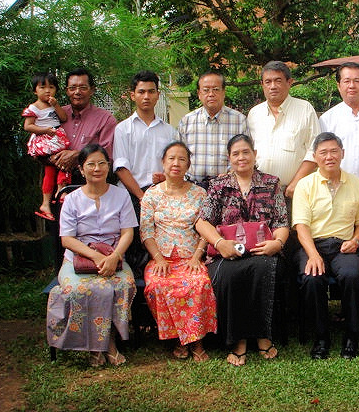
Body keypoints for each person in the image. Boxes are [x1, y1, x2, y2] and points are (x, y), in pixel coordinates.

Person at [196, 134, 289, 366]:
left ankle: (263, 335)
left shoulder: (271, 183)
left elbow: (281, 222)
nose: (241, 157)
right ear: (229, 158)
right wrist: (220, 243)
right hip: (227, 252)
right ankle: (238, 340)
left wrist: (277, 243)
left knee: (262, 269)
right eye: (235, 154)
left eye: (246, 152)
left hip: (263, 249)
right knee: (230, 275)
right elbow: (202, 222)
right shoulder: (218, 186)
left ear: (254, 154)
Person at [46, 144, 137, 367]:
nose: (97, 168)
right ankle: (96, 347)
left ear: (108, 166)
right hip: (77, 260)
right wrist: (96, 258)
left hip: (114, 258)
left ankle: (108, 342)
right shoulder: (72, 199)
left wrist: (114, 257)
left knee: (123, 285)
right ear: (81, 169)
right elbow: (67, 240)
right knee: (83, 289)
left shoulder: (121, 196)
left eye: (102, 163)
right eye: (91, 164)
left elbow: (128, 232)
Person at [292, 132, 359, 360]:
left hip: (344, 245)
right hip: (313, 245)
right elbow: (301, 226)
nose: (329, 157)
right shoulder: (305, 185)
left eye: (334, 151)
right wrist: (313, 254)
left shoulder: (355, 182)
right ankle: (321, 337)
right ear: (315, 157)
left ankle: (352, 336)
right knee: (312, 278)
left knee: (352, 275)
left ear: (342, 153)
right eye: (323, 152)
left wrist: (355, 241)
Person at [141, 141, 218, 362]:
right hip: (161, 259)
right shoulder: (151, 195)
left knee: (199, 284)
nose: (176, 163)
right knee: (157, 286)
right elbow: (146, 232)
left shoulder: (200, 194)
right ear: (163, 163)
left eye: (182, 159)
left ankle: (197, 341)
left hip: (191, 258)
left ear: (188, 165)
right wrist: (158, 259)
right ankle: (179, 339)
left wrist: (196, 257)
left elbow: (206, 228)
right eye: (171, 158)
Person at [113, 70, 175, 277]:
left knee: (160, 241)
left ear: (158, 95)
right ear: (133, 95)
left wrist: (165, 178)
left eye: (151, 91)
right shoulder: (123, 129)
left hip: (162, 196)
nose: (146, 96)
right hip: (132, 195)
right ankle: (135, 284)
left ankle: (159, 280)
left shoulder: (169, 131)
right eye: (141, 92)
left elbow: (175, 165)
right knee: (134, 245)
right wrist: (141, 196)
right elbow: (121, 167)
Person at [247, 61, 321, 198]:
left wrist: (296, 183)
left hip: (293, 191)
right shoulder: (254, 114)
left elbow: (315, 150)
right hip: (259, 193)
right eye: (268, 82)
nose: (273, 86)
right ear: (262, 84)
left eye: (278, 81)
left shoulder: (304, 109)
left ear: (289, 82)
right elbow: (249, 152)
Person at [177, 71, 248, 190]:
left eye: (216, 89)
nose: (211, 94)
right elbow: (178, 156)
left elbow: (246, 156)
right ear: (199, 94)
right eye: (206, 90)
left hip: (228, 188)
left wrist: (232, 174)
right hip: (193, 188)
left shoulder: (239, 121)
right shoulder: (187, 122)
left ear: (223, 92)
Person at [51, 68, 117, 184]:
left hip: (91, 183)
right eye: (72, 88)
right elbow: (40, 143)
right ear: (67, 91)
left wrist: (79, 155)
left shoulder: (105, 119)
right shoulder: (55, 115)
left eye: (83, 88)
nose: (77, 92)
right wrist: (54, 158)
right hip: (56, 180)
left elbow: (108, 157)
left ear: (92, 90)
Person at [22, 72, 70, 221]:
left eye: (51, 87)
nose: (47, 91)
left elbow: (63, 118)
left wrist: (56, 105)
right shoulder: (34, 107)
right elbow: (28, 126)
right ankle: (61, 191)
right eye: (42, 87)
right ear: (35, 91)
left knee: (50, 171)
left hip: (56, 138)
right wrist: (45, 130)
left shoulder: (53, 105)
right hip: (45, 141)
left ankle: (46, 203)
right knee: (63, 163)